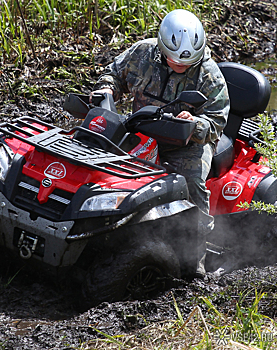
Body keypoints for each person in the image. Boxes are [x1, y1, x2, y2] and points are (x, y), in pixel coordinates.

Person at [91, 9, 230, 278]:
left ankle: (195, 263)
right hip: (140, 128)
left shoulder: (210, 75)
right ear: (162, 47)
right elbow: (113, 75)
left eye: (187, 63)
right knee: (100, 162)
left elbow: (216, 123)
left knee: (192, 183)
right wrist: (107, 89)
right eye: (175, 60)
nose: (181, 66)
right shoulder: (142, 54)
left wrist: (194, 123)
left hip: (187, 142)